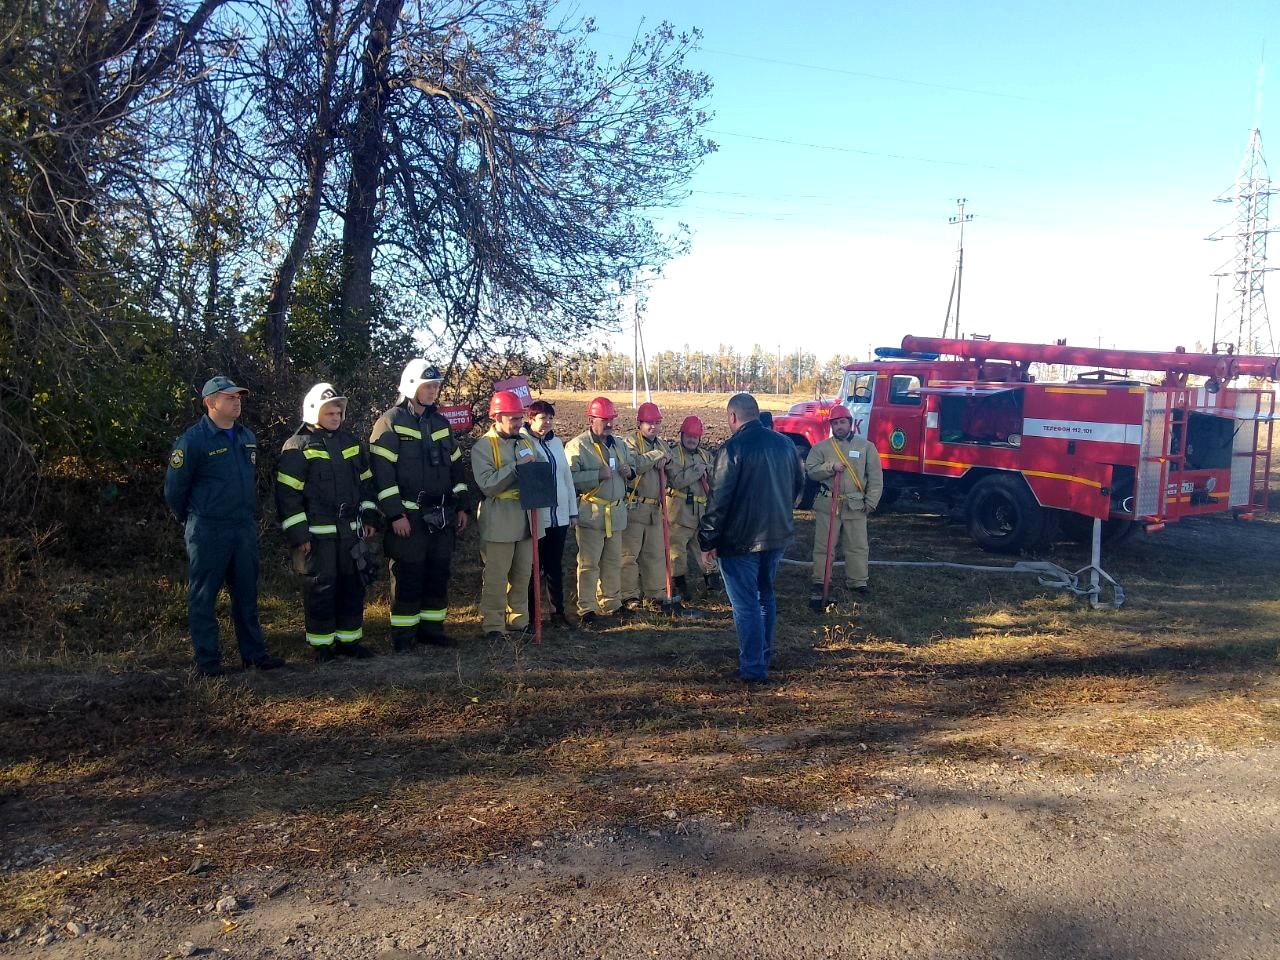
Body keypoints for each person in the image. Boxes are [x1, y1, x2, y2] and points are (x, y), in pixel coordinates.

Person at [164, 376, 285, 677]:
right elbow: (174, 490)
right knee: (203, 596)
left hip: (242, 527)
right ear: (210, 402)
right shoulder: (192, 441)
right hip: (208, 528)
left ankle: (254, 656)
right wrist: (192, 519)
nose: (237, 401)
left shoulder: (247, 437)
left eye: (239, 396)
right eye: (229, 396)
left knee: (246, 593)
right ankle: (208, 661)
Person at [698, 393, 804, 684]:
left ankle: (754, 668)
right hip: (776, 536)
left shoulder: (732, 449)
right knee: (765, 597)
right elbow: (799, 487)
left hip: (739, 541)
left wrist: (707, 541)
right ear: (757, 413)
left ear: (733, 417)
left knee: (746, 604)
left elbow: (718, 501)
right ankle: (763, 656)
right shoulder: (785, 444)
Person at [368, 360, 469, 652]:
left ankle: (431, 630)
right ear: (412, 386)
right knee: (408, 575)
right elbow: (382, 475)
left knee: (438, 573)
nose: (433, 391)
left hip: (441, 515)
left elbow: (456, 469)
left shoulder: (441, 424)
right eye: (428, 386)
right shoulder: (390, 422)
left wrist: (461, 506)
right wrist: (395, 513)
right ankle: (403, 637)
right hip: (409, 516)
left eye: (436, 386)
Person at [275, 383, 379, 662]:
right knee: (321, 587)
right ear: (313, 412)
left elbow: (366, 484)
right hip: (317, 536)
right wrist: (299, 534)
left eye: (338, 412)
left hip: (350, 533)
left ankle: (349, 641)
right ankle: (321, 646)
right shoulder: (297, 447)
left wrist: (369, 516)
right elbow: (288, 496)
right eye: (330, 412)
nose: (336, 417)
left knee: (352, 586)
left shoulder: (350, 444)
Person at [565, 396, 636, 629]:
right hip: (592, 513)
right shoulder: (578, 445)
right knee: (588, 564)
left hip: (615, 514)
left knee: (612, 562)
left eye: (611, 420)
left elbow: (631, 464)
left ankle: (612, 603)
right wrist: (595, 475)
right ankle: (587, 608)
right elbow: (569, 479)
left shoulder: (619, 444)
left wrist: (629, 471)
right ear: (591, 419)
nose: (609, 424)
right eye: (604, 420)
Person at [472, 390, 537, 639]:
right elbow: (488, 485)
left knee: (522, 574)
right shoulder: (483, 446)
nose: (519, 423)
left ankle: (519, 621)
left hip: (526, 518)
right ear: (497, 417)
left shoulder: (525, 441)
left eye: (520, 418)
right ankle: (493, 625)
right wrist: (515, 468)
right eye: (513, 419)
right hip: (499, 518)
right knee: (497, 576)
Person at [805, 404, 884, 610]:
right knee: (824, 546)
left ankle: (858, 582)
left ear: (850, 423)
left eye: (842, 422)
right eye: (835, 423)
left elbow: (875, 478)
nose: (839, 426)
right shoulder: (821, 448)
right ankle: (820, 580)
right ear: (831, 425)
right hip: (828, 504)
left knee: (858, 545)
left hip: (855, 504)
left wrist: (872, 502)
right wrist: (830, 467)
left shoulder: (866, 447)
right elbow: (811, 471)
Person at [522, 400, 577, 630]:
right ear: (531, 419)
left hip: (560, 515)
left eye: (550, 418)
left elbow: (566, 478)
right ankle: (532, 614)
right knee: (535, 567)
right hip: (539, 514)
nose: (547, 422)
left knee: (555, 566)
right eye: (543, 418)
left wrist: (572, 511)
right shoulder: (524, 442)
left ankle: (558, 612)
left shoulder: (556, 443)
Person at [620, 402, 671, 612]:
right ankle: (628, 595)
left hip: (656, 508)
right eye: (649, 423)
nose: (653, 427)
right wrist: (657, 456)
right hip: (635, 505)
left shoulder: (663, 444)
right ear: (639, 423)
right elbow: (634, 465)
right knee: (628, 555)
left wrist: (666, 459)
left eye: (657, 423)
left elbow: (672, 463)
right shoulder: (630, 442)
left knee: (655, 553)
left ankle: (655, 593)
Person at [664, 415, 718, 601]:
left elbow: (715, 481)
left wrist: (709, 471)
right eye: (688, 435)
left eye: (695, 436)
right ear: (682, 435)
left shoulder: (706, 455)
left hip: (701, 515)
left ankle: (712, 580)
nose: (692, 439)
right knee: (676, 551)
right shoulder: (673, 455)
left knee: (705, 547)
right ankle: (679, 585)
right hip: (679, 514)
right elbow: (676, 480)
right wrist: (697, 470)